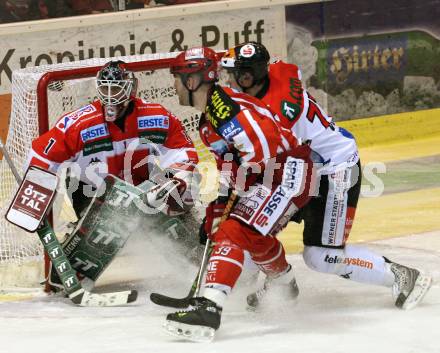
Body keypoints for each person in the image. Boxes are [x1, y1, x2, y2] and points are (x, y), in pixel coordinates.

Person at [220, 42, 432, 310]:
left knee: (321, 256)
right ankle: (279, 283)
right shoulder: (278, 72)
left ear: (248, 76)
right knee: (251, 227)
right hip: (304, 167)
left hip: (335, 170)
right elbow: (289, 70)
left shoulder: (276, 115)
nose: (229, 82)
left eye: (234, 75)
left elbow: (270, 154)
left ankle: (401, 275)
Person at [163, 46, 315, 342]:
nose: (175, 86)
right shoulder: (211, 116)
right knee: (248, 233)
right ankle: (284, 281)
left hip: (286, 171)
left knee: (233, 231)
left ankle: (208, 309)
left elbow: (265, 147)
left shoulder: (223, 109)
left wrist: (242, 190)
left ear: (192, 82)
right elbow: (231, 165)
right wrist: (219, 206)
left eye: (178, 79)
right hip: (277, 172)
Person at [26, 60, 200, 287]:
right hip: (92, 194)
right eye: (106, 88)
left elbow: (181, 150)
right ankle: (73, 264)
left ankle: (201, 264)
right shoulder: (79, 124)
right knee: (113, 221)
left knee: (175, 210)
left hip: (142, 188)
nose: (110, 95)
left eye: (116, 88)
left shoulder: (154, 116)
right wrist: (35, 191)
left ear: (131, 89)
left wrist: (177, 180)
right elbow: (41, 157)